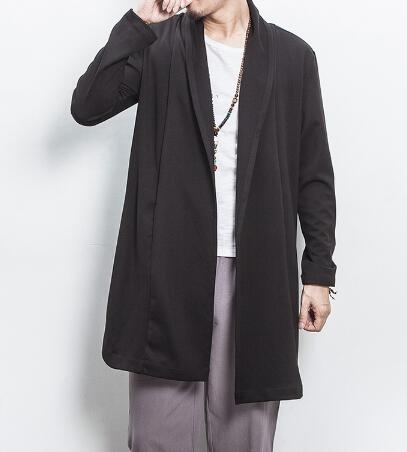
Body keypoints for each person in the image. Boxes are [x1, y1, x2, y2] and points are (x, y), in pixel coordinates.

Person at [70, 0, 337, 450]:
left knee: (244, 437)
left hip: (257, 277)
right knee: (158, 436)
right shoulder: (158, 45)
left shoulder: (293, 57)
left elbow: (313, 173)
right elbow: (87, 106)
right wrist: (138, 23)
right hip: (167, 273)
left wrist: (318, 272)